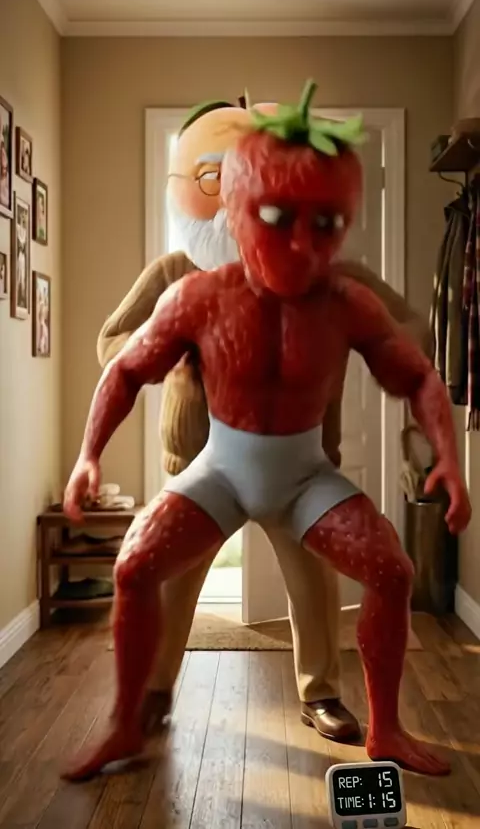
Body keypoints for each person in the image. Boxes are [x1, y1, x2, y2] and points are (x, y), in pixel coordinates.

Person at [63, 80, 469, 781]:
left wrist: (353, 334)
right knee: (157, 574)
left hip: (307, 467)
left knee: (338, 579)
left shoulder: (340, 285)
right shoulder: (181, 280)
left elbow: (413, 350)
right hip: (202, 458)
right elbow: (117, 356)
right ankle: (148, 700)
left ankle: (331, 698)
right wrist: (170, 359)